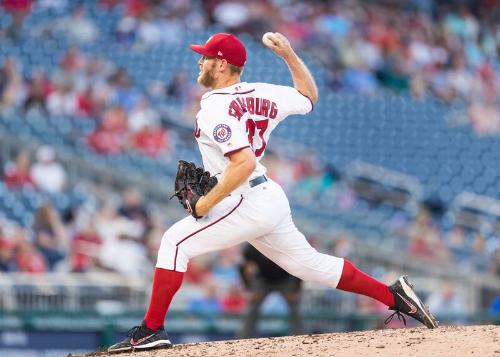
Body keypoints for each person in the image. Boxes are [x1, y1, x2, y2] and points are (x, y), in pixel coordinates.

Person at [108, 32, 437, 352]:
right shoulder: (262, 92)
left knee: (173, 242)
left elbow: (244, 164)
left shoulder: (213, 108)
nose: (200, 62)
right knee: (310, 266)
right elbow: (309, 97)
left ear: (221, 64)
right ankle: (395, 296)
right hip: (268, 197)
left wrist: (206, 202)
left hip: (246, 197)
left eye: (205, 56)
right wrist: (289, 55)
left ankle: (151, 330)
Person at [239, 243, 302, 338]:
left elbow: (300, 265)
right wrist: (248, 289)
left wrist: (295, 290)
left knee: (294, 308)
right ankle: (244, 338)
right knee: (252, 308)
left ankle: (301, 336)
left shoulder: (283, 243)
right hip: (263, 280)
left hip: (285, 279)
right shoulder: (252, 247)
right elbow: (243, 267)